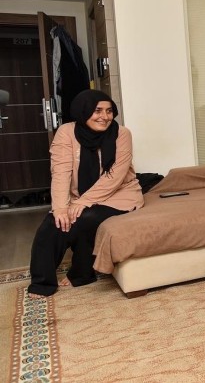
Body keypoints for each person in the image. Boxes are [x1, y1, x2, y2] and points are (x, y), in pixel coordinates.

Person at [27, 90, 144, 298]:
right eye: (97, 110)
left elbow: (115, 177)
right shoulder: (66, 132)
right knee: (54, 222)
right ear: (83, 111)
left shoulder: (122, 134)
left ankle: (82, 274)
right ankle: (42, 283)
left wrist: (84, 202)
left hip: (119, 195)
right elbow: (61, 171)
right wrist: (60, 208)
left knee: (86, 218)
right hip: (79, 196)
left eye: (109, 111)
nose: (104, 116)